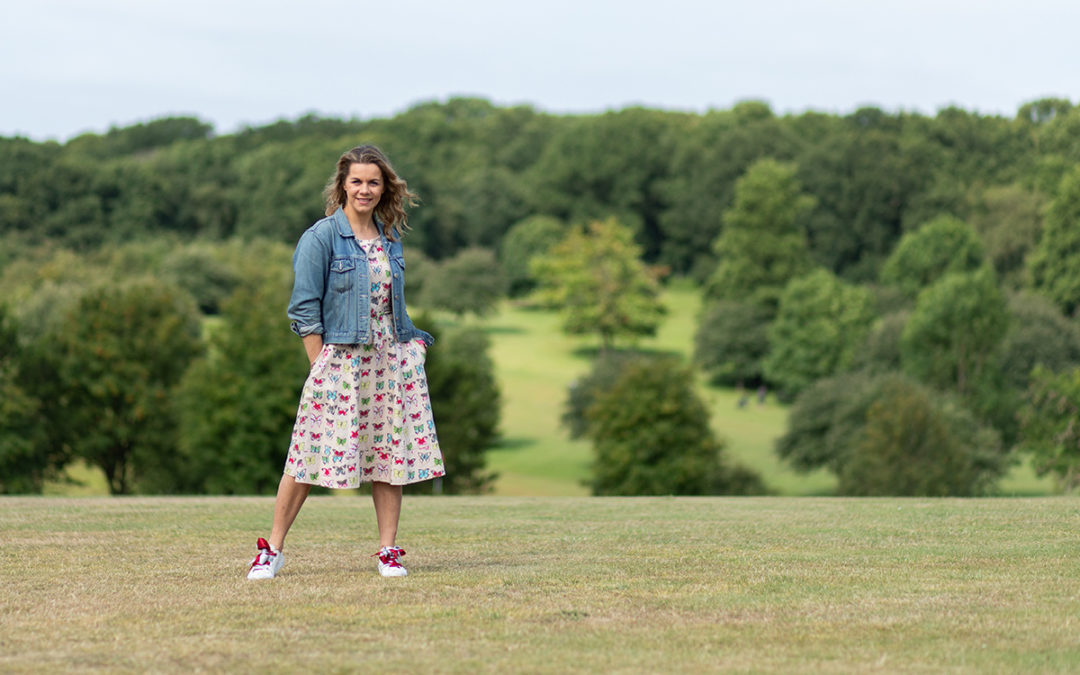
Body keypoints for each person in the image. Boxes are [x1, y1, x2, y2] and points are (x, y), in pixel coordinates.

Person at [247, 145, 444, 580]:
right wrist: (322, 368)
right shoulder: (320, 238)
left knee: (388, 456)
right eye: (356, 181)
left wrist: (414, 346)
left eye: (373, 181)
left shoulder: (390, 240)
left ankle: (388, 551)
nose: (365, 189)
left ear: (384, 187)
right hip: (340, 362)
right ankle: (272, 550)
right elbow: (303, 309)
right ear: (342, 186)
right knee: (307, 456)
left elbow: (393, 305)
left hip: (391, 362)